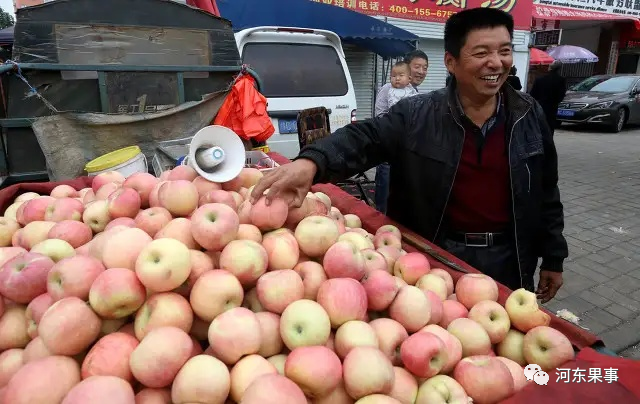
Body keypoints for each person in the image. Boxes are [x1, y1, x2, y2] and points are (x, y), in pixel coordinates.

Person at [251, 8, 567, 302]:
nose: (496, 62)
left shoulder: (529, 114)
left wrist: (553, 256)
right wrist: (312, 161)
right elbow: (364, 138)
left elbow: (546, 189)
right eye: (482, 52)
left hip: (509, 258)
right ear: (451, 61)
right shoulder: (416, 115)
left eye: (504, 50)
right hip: (435, 258)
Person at [373, 51, 429, 214]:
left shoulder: (412, 91)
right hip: (388, 148)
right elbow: (380, 116)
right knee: (385, 191)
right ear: (406, 67)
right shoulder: (389, 89)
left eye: (425, 68)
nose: (421, 71)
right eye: (417, 66)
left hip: (405, 149)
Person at [530, 60, 567, 135]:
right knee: (550, 127)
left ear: (550, 67)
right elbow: (561, 95)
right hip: (552, 107)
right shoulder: (561, 80)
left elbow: (533, 94)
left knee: (539, 126)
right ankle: (549, 143)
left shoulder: (540, 79)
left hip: (540, 105)